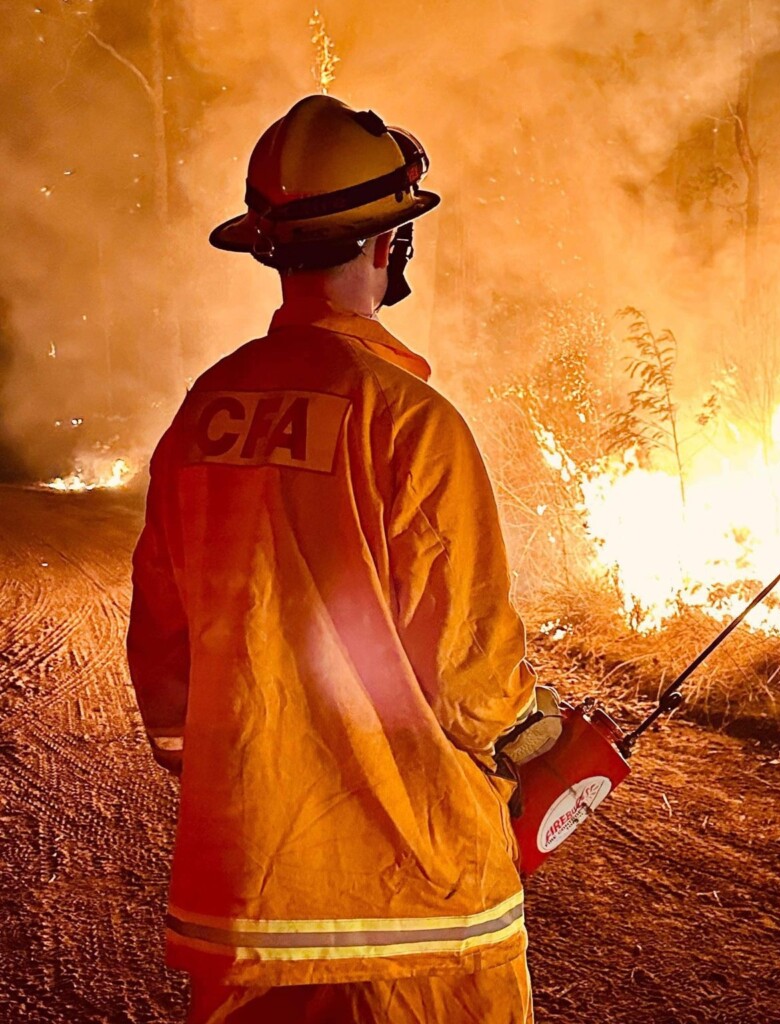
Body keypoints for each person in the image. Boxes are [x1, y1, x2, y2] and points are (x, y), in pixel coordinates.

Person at [127, 94, 540, 1024]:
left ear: (269, 248)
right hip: (418, 915)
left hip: (251, 902)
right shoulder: (408, 421)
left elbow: (162, 637)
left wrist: (230, 771)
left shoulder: (205, 411)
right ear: (389, 246)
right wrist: (538, 744)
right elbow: (470, 669)